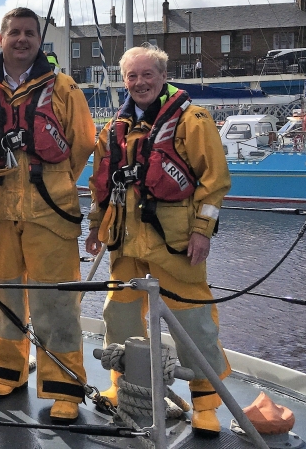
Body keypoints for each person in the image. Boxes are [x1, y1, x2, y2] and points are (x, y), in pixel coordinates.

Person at [85, 45, 231, 437]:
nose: (140, 82)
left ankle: (206, 402)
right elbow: (101, 181)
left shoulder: (192, 120)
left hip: (175, 244)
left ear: (163, 77)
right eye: (132, 76)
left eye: (147, 74)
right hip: (126, 242)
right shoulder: (113, 127)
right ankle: (122, 387)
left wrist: (202, 232)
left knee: (193, 323)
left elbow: (214, 182)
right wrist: (96, 227)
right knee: (119, 316)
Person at [0, 7, 95, 423]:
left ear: (39, 40)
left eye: (30, 33)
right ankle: (7, 370)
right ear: (0, 37)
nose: (22, 39)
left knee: (55, 303)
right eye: (15, 32)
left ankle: (64, 387)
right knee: (2, 297)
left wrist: (54, 179)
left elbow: (82, 144)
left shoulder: (64, 87)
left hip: (50, 212)